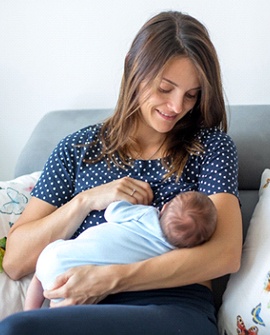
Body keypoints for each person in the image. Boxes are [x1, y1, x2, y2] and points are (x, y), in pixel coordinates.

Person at [1, 10, 243, 335]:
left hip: (172, 306)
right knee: (18, 328)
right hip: (81, 310)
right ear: (133, 66)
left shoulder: (211, 147)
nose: (176, 106)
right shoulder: (77, 150)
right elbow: (15, 261)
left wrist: (111, 277)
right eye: (164, 88)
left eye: (191, 94)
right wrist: (86, 201)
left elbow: (225, 255)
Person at [24, 191, 218, 310]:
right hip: (77, 287)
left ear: (165, 206)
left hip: (57, 257)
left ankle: (29, 312)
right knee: (61, 308)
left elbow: (112, 212)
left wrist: (133, 204)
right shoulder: (168, 255)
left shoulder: (146, 214)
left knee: (39, 277)